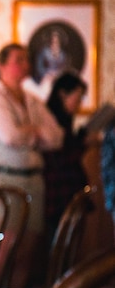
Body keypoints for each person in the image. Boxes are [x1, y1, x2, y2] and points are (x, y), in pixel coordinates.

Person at [0, 43, 64, 288]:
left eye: (27, 59)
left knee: (29, 246)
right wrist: (37, 133)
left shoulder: (32, 100)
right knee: (9, 243)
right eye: (18, 59)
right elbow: (9, 136)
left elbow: (57, 136)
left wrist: (32, 133)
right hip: (9, 180)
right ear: (2, 65)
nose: (25, 64)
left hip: (36, 180)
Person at [43, 72, 90, 244]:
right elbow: (60, 158)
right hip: (59, 190)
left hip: (64, 190)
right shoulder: (52, 120)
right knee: (61, 243)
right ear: (63, 94)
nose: (79, 104)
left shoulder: (64, 119)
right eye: (77, 98)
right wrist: (82, 142)